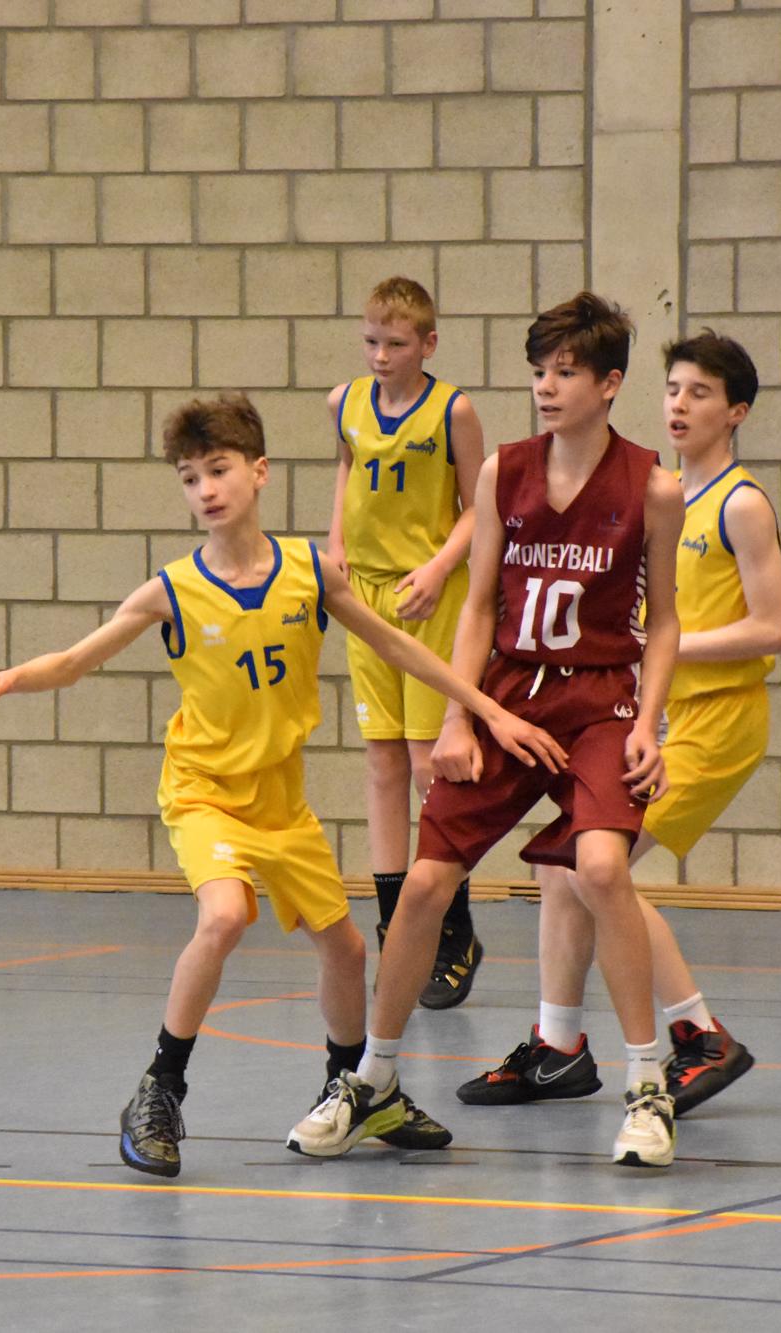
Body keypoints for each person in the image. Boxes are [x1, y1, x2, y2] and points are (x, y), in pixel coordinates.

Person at [0, 393, 563, 1178]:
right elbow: (75, 661)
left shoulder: (310, 571)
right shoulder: (173, 589)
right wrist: (7, 678)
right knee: (224, 914)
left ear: (260, 471)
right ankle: (159, 1089)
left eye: (218, 469)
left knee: (347, 949)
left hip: (282, 803)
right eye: (189, 477)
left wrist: (485, 710)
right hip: (204, 791)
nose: (205, 488)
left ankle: (358, 1090)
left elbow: (399, 647)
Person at [288, 291, 686, 1168]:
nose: (545, 386)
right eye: (539, 371)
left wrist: (649, 724)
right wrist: (459, 714)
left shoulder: (654, 487)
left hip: (600, 700)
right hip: (508, 691)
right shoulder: (504, 471)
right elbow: (475, 608)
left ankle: (648, 1083)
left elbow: (664, 621)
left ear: (609, 383)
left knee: (601, 867)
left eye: (566, 372)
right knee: (426, 881)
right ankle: (372, 1078)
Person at [460, 330, 781, 1116]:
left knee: (589, 868)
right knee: (559, 866)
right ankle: (558, 1044)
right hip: (652, 710)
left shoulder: (741, 504)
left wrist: (658, 647)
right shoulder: (656, 490)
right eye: (673, 389)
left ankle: (700, 1033)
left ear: (736, 412)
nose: (680, 404)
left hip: (716, 721)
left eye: (700, 393)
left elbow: (775, 626)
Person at [325, 277, 488, 1008]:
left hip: (429, 596)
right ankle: (397, 928)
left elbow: (478, 507)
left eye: (395, 343)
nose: (380, 355)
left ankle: (453, 928)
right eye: (371, 341)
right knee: (383, 761)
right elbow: (347, 472)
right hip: (366, 593)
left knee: (431, 764)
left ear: (428, 344)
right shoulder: (344, 403)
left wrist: (441, 565)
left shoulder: (454, 410)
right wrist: (335, 550)